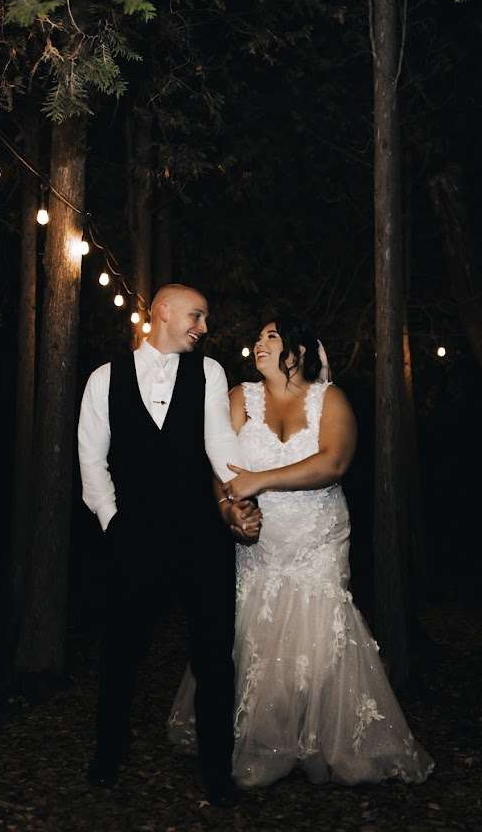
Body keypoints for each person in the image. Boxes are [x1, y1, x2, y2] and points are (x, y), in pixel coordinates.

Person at [169, 314, 434, 787]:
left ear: (299, 352)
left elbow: (334, 462)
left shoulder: (329, 399)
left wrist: (259, 480)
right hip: (259, 538)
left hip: (317, 534)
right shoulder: (240, 397)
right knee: (256, 626)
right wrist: (231, 510)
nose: (259, 342)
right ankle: (262, 741)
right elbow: (219, 465)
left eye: (271, 337)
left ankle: (331, 741)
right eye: (258, 336)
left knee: (320, 627)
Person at [78, 284, 261, 807]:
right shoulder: (103, 378)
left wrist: (242, 493)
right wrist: (114, 522)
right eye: (196, 316)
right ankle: (108, 753)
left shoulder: (209, 373)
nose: (203, 328)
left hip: (201, 537)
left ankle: (217, 773)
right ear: (162, 311)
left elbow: (219, 443)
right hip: (133, 538)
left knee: (214, 658)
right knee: (120, 650)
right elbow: (91, 459)